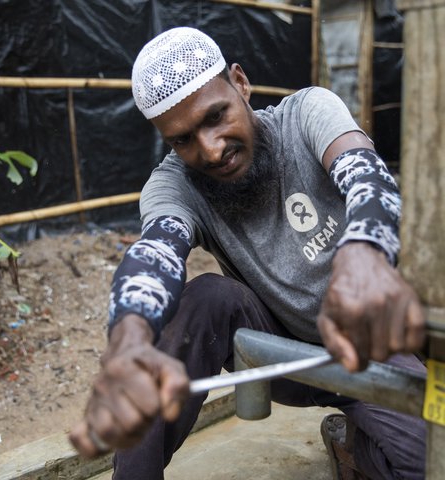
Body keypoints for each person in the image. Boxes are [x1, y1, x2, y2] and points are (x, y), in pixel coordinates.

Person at [70, 27, 426, 479]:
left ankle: (353, 450)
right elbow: (155, 255)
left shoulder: (307, 113)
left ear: (240, 83)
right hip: (278, 354)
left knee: (431, 461)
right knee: (205, 301)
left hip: (370, 344)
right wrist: (128, 335)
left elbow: (366, 177)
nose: (211, 148)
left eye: (217, 116)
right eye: (183, 140)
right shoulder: (173, 185)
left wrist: (366, 250)